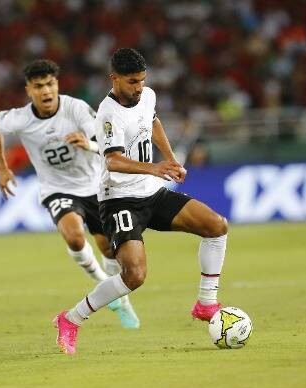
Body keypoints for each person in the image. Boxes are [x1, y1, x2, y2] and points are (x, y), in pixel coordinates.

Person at [53, 48, 228, 355]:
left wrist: (171, 160)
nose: (138, 87)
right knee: (134, 275)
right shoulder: (108, 115)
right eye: (132, 81)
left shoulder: (146, 96)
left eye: (142, 80)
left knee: (216, 226)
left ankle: (206, 303)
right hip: (119, 200)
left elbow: (153, 122)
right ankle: (70, 319)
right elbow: (113, 161)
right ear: (114, 78)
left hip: (152, 191)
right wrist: (155, 167)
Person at [0, 59, 140, 329]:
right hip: (57, 189)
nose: (46, 91)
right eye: (38, 86)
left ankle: (118, 298)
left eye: (50, 84)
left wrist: (88, 143)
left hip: (95, 186)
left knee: (108, 247)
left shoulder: (75, 108)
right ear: (28, 90)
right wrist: (2, 166)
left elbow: (105, 141)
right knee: (73, 234)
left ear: (57, 85)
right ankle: (103, 283)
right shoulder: (21, 118)